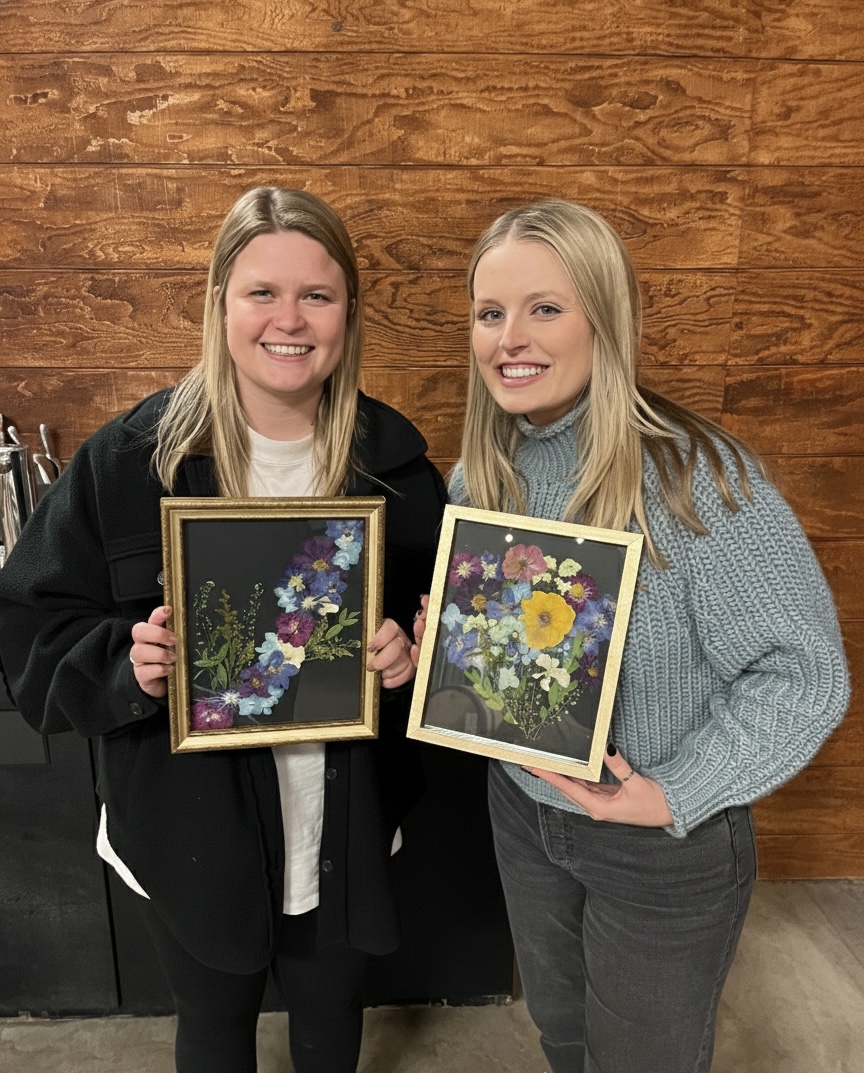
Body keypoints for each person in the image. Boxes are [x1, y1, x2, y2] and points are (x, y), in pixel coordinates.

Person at [0, 186, 446, 1073]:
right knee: (212, 1030)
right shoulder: (130, 460)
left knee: (327, 1023)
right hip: (186, 824)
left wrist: (410, 655)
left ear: (348, 311)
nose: (290, 319)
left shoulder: (394, 463)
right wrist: (130, 666)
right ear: (219, 304)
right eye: (261, 293)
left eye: (316, 295)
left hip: (344, 820)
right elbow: (31, 629)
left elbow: (446, 636)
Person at [416, 199, 850, 1073]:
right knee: (564, 1032)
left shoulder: (696, 479)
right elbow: (519, 661)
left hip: (663, 843)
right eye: (490, 313)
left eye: (546, 308)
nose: (511, 338)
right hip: (524, 815)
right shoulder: (480, 476)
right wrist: (452, 650)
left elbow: (805, 676)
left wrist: (676, 791)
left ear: (603, 318)